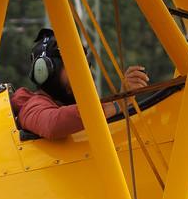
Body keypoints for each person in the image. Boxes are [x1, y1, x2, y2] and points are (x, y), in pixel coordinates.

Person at [11, 28, 148, 140]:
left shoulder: (64, 106)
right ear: (44, 72)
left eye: (85, 66)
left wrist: (122, 98)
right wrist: (119, 104)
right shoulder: (32, 106)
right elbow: (53, 125)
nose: (84, 74)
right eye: (73, 66)